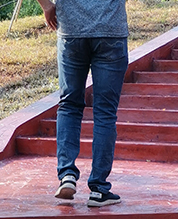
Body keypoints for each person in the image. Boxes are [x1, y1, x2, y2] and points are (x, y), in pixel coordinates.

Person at [36, 0, 128, 207]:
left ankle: (67, 175)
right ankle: (99, 189)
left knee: (69, 105)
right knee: (105, 112)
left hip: (71, 30)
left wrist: (46, 5)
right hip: (110, 30)